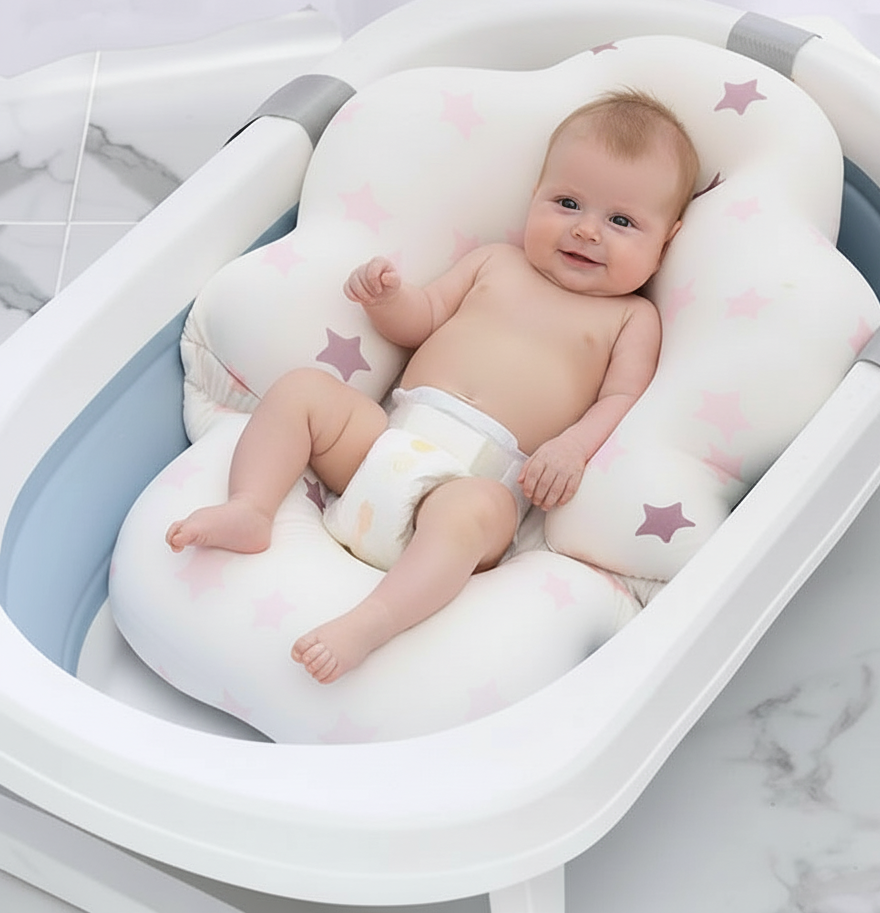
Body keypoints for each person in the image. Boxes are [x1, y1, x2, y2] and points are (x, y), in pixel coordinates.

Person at [166, 88, 699, 683]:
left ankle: (373, 621)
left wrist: (571, 449)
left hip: (476, 481)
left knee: (471, 513)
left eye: (621, 221)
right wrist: (388, 298)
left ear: (666, 242)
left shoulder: (630, 318)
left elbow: (620, 400)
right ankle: (250, 506)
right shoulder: (495, 262)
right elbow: (422, 318)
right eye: (567, 203)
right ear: (535, 196)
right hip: (381, 443)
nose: (586, 231)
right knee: (301, 390)